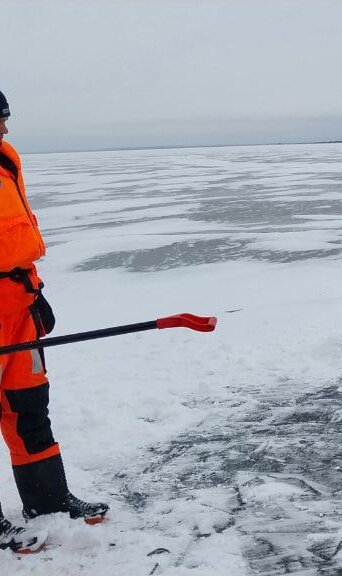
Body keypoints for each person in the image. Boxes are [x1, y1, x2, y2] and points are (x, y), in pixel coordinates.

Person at [0, 89, 108, 554]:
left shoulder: (5, 159)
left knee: (28, 406)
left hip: (18, 308)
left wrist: (34, 291)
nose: (5, 128)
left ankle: (48, 501)